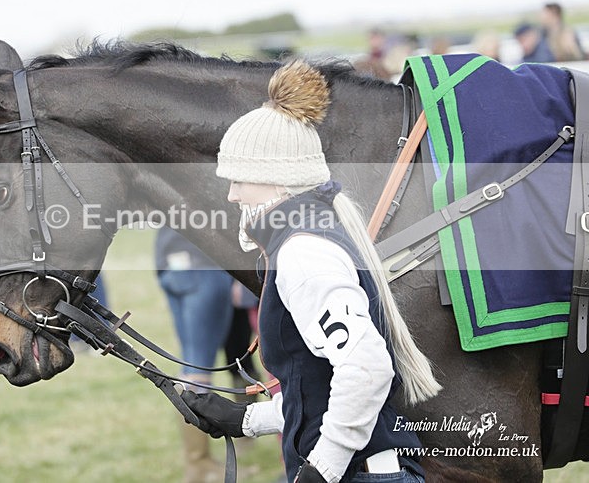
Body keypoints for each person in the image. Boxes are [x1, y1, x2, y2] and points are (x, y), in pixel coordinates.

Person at [181, 60, 441, 482]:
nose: (231, 195)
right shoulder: (305, 236)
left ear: (278, 181)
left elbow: (368, 369)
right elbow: (317, 390)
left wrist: (324, 467)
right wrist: (246, 420)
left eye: (240, 180)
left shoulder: (304, 252)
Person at [155, 226, 234, 483]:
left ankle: (198, 462)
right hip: (203, 266)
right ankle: (200, 464)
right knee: (198, 371)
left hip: (170, 263)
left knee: (190, 366)